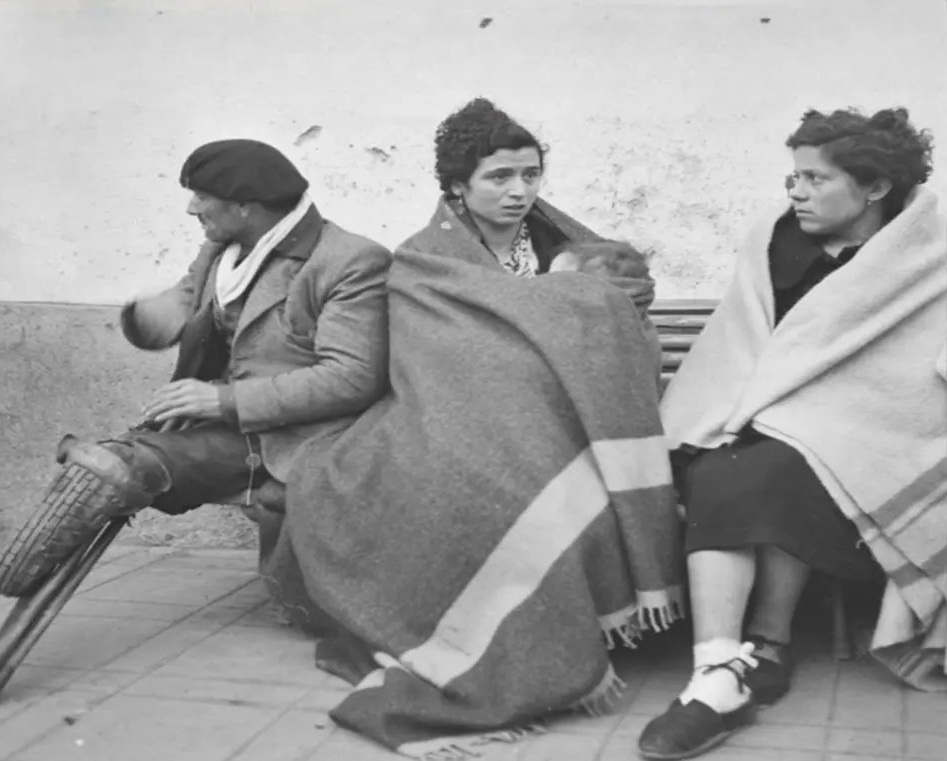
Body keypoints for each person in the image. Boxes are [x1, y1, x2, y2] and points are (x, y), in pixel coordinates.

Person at [263, 98, 683, 758]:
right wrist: (555, 309)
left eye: (531, 174)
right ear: (458, 184)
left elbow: (618, 322)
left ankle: (560, 638)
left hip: (568, 427)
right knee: (480, 491)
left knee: (551, 487)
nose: (519, 191)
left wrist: (579, 299)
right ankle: (513, 652)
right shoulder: (425, 260)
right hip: (449, 416)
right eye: (500, 177)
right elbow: (442, 360)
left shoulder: (576, 251)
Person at [638, 107, 945, 760]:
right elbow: (739, 341)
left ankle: (751, 655)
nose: (796, 192)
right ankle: (732, 663)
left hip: (861, 438)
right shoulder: (772, 242)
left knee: (776, 463)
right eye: (793, 177)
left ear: (875, 187)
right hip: (746, 413)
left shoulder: (926, 256)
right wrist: (747, 411)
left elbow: (917, 363)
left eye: (815, 179)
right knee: (732, 462)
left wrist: (813, 418)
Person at [0, 139, 392, 594]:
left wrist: (223, 400)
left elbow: (352, 377)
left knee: (119, 465)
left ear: (245, 205)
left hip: (301, 441)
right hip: (227, 432)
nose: (191, 208)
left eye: (201, 196)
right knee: (110, 463)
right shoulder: (222, 252)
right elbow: (178, 307)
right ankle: (17, 581)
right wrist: (150, 320)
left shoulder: (349, 262)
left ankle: (15, 583)